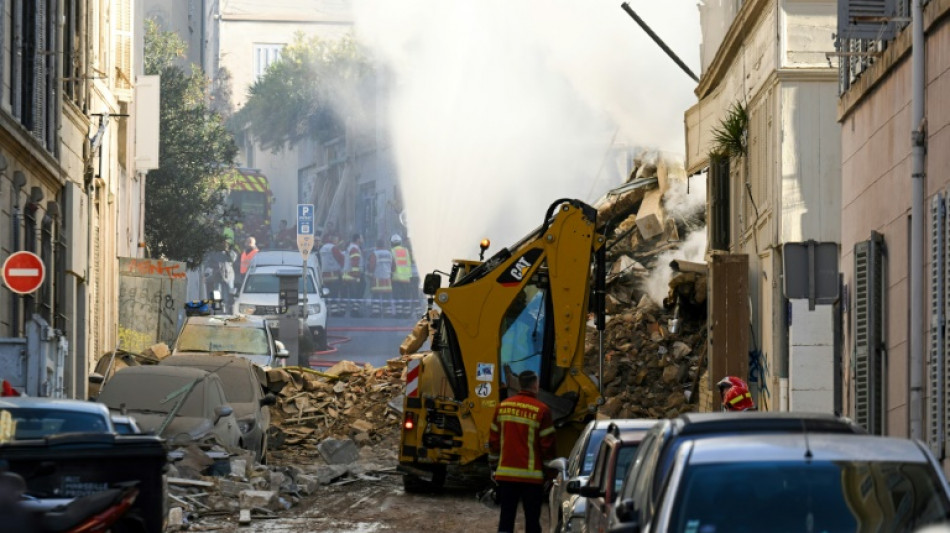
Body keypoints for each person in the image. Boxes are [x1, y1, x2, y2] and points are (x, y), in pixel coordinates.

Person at [489, 370, 555, 533]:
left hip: (506, 475)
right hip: (532, 478)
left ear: (520, 384)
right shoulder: (542, 410)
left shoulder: (502, 407)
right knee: (532, 521)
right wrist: (550, 473)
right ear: (535, 385)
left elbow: (494, 442)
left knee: (506, 519)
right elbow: (547, 446)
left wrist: (493, 466)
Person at [204, 238, 237, 310]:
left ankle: (228, 307)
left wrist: (227, 251)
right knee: (217, 291)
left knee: (228, 292)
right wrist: (214, 267)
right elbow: (209, 262)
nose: (223, 245)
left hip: (228, 275)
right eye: (222, 244)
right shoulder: (214, 253)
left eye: (225, 244)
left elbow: (232, 259)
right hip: (217, 275)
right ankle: (218, 306)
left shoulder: (231, 253)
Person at [367, 238, 395, 317]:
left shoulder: (374, 254)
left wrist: (369, 272)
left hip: (377, 279)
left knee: (375, 296)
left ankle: (376, 313)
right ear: (384, 245)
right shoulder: (389, 254)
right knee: (387, 297)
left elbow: (372, 267)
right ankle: (387, 313)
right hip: (387, 279)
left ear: (376, 245)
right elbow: (394, 267)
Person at [319, 234, 346, 316]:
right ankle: (334, 312)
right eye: (337, 240)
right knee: (334, 294)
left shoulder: (322, 248)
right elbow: (341, 259)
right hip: (334, 275)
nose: (338, 242)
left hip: (324, 276)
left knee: (326, 295)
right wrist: (342, 268)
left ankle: (326, 311)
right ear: (334, 240)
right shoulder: (333, 248)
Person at [341, 233, 365, 317]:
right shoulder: (354, 248)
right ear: (358, 239)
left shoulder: (351, 247)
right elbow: (355, 262)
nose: (363, 239)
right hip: (353, 276)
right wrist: (357, 276)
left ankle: (343, 311)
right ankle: (355, 311)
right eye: (361, 238)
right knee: (356, 294)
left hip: (348, 275)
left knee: (349, 294)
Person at [390, 234, 413, 317]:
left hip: (396, 278)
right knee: (406, 297)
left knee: (398, 296)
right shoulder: (406, 251)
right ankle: (407, 313)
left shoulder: (392, 251)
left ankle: (399, 313)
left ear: (392, 243)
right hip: (406, 278)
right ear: (400, 242)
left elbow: (392, 265)